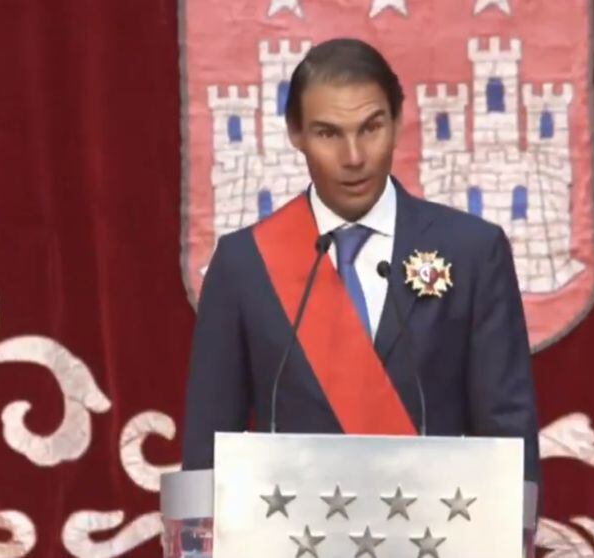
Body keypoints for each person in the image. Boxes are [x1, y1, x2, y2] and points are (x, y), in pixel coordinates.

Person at [180, 37, 540, 546]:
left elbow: (508, 431)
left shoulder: (473, 252)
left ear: (397, 122)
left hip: (440, 542)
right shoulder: (243, 265)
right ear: (296, 134)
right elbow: (207, 447)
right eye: (329, 133)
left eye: (371, 128)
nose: (354, 157)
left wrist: (511, 545)